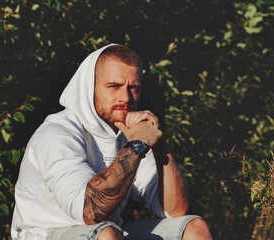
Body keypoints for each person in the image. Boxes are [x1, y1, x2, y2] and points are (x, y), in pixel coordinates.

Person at [11, 44, 212, 240]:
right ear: (89, 87)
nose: (125, 97)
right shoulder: (56, 134)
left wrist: (159, 146)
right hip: (46, 234)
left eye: (133, 88)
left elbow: (176, 210)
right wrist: (137, 145)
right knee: (106, 233)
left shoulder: (130, 134)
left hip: (108, 232)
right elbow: (90, 211)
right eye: (114, 86)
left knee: (193, 228)